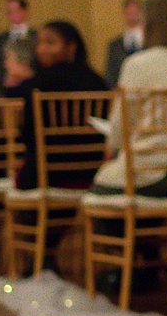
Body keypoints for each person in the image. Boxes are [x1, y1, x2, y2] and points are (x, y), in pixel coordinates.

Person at [91, 0, 167, 196]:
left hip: (145, 171)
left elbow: (119, 129)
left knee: (97, 191)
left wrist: (112, 149)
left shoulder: (137, 64)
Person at [13, 20, 109, 190]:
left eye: (50, 43)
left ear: (71, 46)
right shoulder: (97, 82)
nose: (42, 49)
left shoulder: (37, 85)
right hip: (94, 172)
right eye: (39, 43)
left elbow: (27, 135)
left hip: (46, 175)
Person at [0, 0, 34, 92]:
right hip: (6, 90)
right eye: (9, 12)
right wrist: (5, 78)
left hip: (32, 89)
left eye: (16, 11)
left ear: (25, 11)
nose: (13, 15)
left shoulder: (36, 36)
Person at [103, 0, 145, 86]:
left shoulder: (150, 41)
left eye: (135, 12)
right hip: (123, 92)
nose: (132, 16)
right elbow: (111, 73)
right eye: (129, 12)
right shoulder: (115, 44)